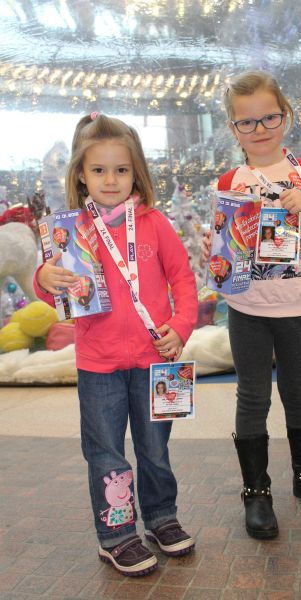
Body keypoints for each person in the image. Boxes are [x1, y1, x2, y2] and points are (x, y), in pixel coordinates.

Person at [34, 113, 199, 576]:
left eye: (121, 169)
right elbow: (56, 292)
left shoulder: (155, 223)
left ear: (136, 172)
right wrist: (44, 278)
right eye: (99, 170)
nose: (111, 180)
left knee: (155, 449)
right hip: (99, 364)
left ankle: (161, 517)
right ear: (81, 176)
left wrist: (181, 326)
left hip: (156, 361)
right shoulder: (70, 231)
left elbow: (184, 280)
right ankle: (116, 536)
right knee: (106, 452)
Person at [202, 71, 301, 539]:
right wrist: (216, 248)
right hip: (247, 308)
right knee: (252, 396)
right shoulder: (229, 182)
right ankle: (256, 491)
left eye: (269, 117)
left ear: (285, 117)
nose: (260, 128)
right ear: (233, 128)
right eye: (247, 122)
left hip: (299, 305)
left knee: (298, 391)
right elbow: (222, 253)